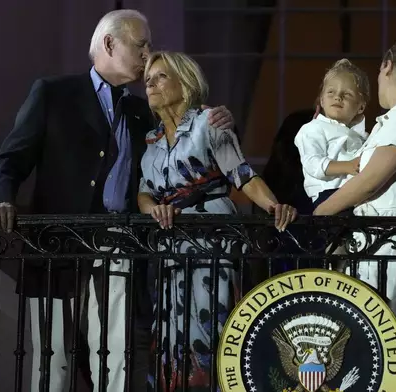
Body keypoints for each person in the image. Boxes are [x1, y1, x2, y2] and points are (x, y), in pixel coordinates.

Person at [0, 10, 234, 392]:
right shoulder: (53, 93)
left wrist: (219, 120)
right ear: (109, 44)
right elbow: (10, 161)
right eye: (141, 44)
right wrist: (2, 201)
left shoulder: (140, 111)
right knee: (52, 363)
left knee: (117, 358)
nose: (148, 53)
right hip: (57, 248)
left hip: (121, 244)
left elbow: (186, 143)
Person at [137, 51, 297, 391]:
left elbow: (242, 175)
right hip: (172, 245)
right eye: (147, 79)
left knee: (212, 332)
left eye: (160, 76)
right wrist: (154, 209)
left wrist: (274, 207)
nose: (150, 83)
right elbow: (144, 194)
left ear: (186, 82)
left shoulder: (209, 123)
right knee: (170, 336)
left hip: (214, 238)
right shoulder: (150, 141)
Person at [313, 39, 396, 320]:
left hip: (384, 242)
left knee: (368, 335)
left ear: (387, 66)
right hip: (371, 241)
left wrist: (321, 212)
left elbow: (371, 179)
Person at [294, 58, 369, 211]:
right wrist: (348, 166)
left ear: (360, 106)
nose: (338, 97)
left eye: (347, 94)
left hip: (356, 196)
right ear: (321, 100)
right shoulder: (312, 129)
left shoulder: (363, 137)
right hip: (328, 196)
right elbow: (313, 163)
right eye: (331, 92)